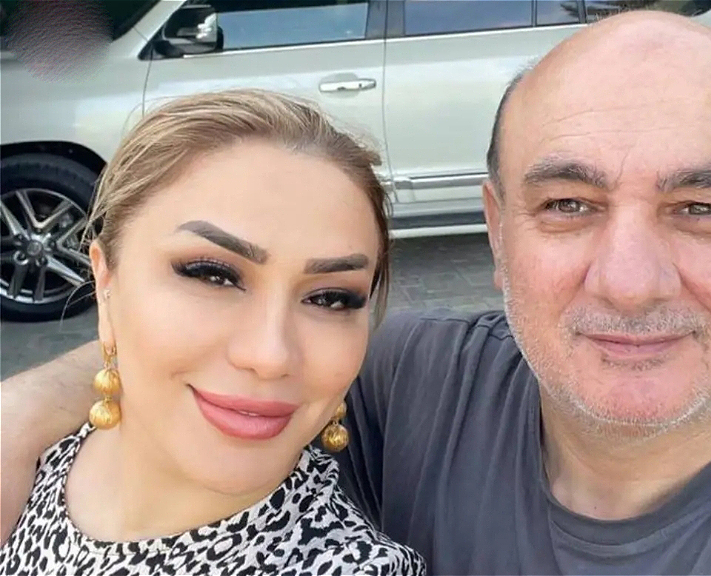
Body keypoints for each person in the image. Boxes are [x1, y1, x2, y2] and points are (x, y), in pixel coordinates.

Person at [2, 9, 711, 575]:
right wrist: (24, 411)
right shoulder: (415, 377)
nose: (628, 283)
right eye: (567, 204)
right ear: (497, 232)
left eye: (703, 208)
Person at [0, 89, 425, 575]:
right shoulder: (34, 459)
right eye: (212, 275)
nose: (270, 355)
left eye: (330, 298)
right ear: (105, 281)